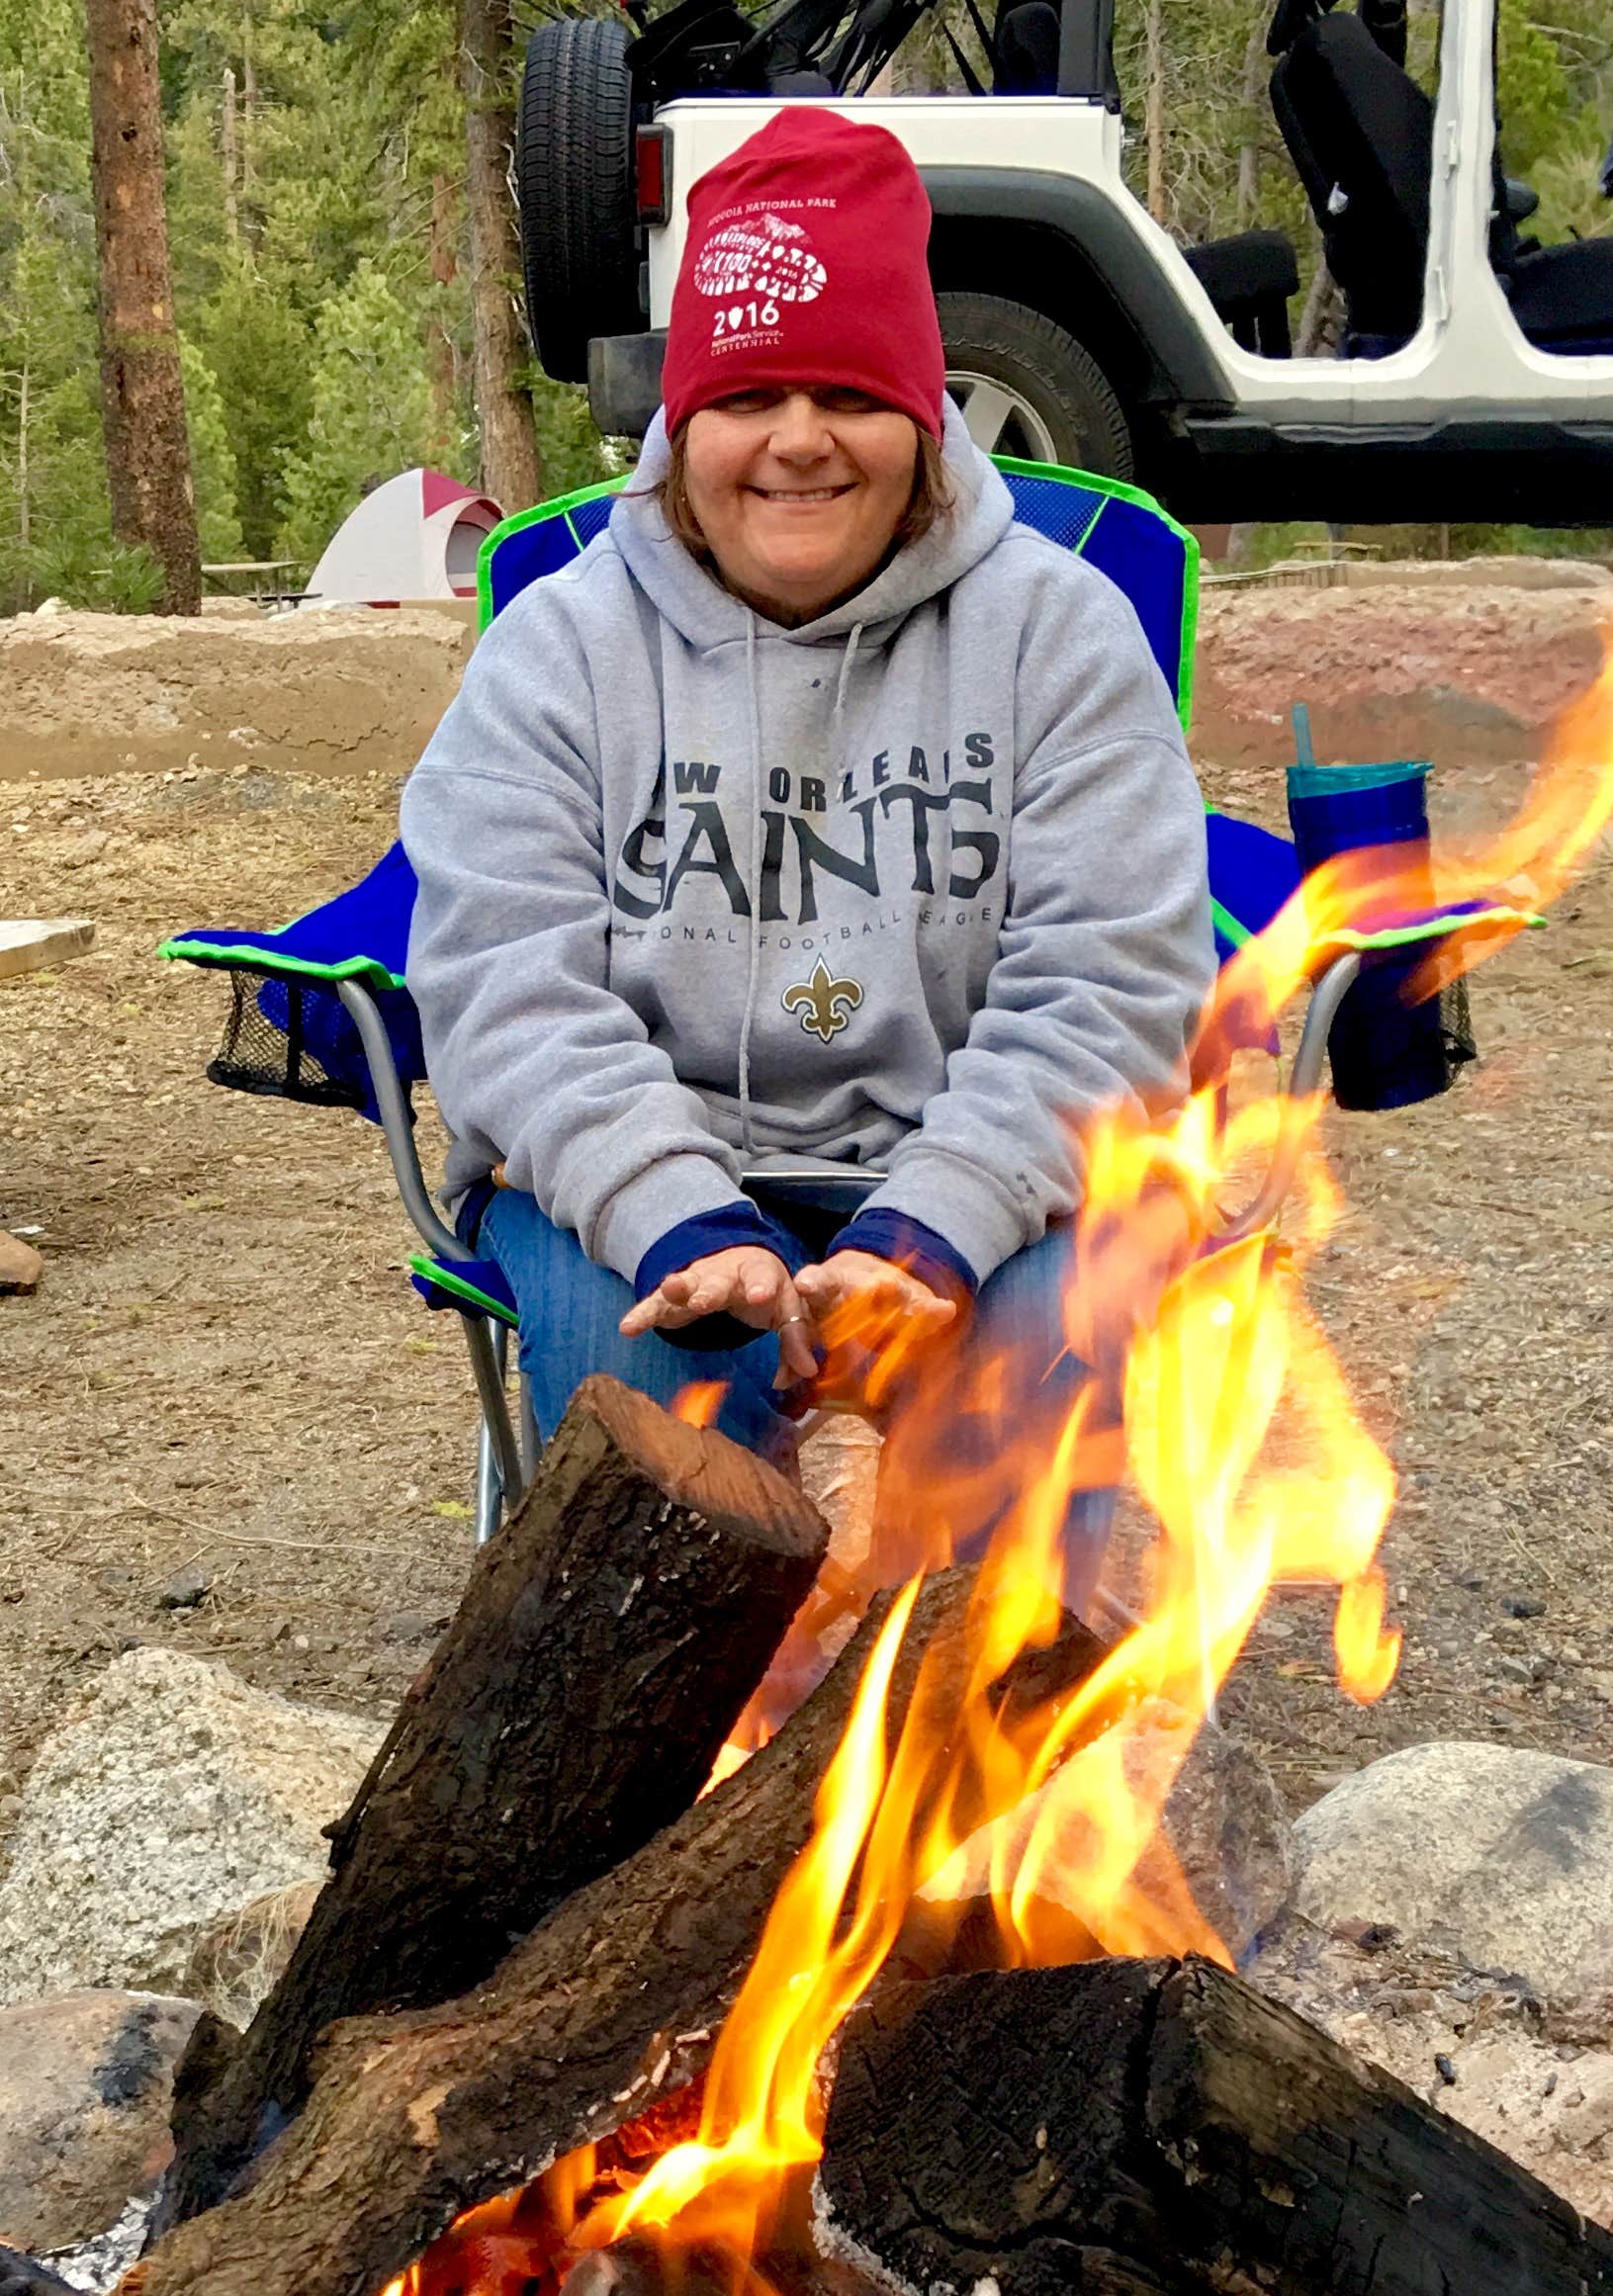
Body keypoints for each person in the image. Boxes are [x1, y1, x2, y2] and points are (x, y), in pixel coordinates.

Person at [400, 106, 1212, 1533]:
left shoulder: (1060, 635)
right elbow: (506, 992)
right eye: (747, 397)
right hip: (647, 1165)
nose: (796, 444)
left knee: (1037, 1331)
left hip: (975, 1162)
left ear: (920, 415)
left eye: (846, 394)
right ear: (679, 422)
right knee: (651, 1371)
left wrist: (935, 1224)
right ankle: (688, 1746)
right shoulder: (558, 650)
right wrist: (680, 1210)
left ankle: (1000, 1738)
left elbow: (1108, 979)